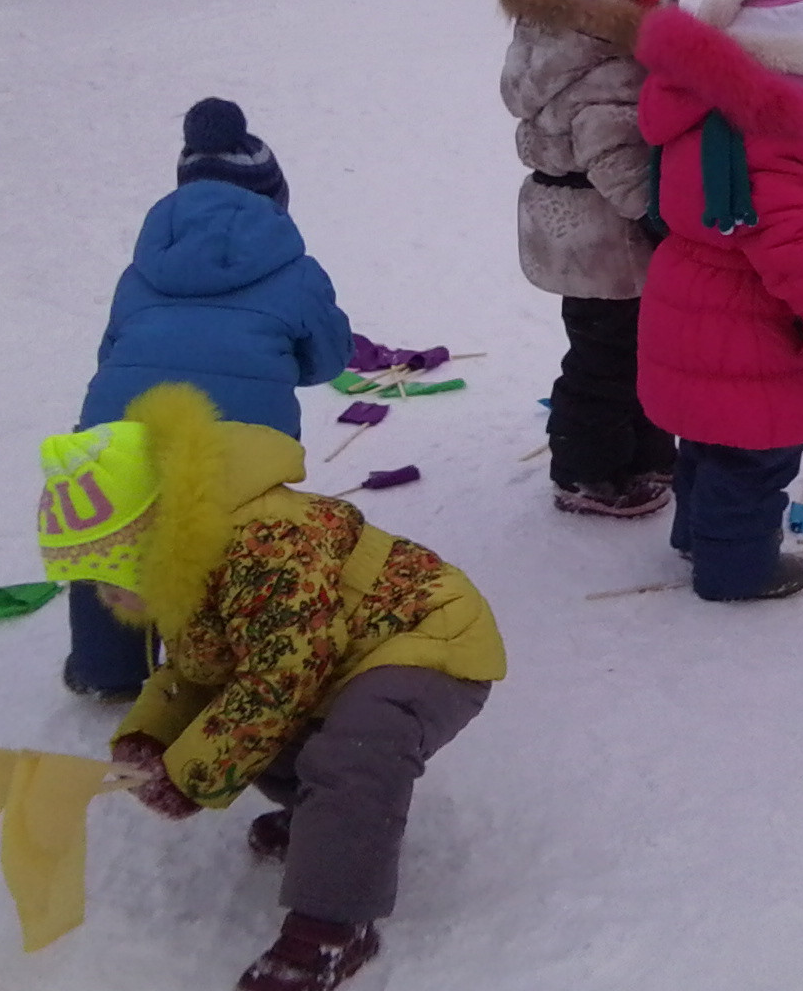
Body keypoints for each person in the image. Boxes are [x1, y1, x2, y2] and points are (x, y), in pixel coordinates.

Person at [38, 382, 504, 991]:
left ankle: (334, 928)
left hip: (426, 637)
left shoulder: (269, 543)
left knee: (354, 747)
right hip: (332, 652)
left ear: (153, 542)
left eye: (113, 576)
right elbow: (200, 669)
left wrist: (192, 775)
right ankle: (332, 830)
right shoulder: (193, 558)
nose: (111, 600)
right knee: (257, 727)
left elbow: (280, 679)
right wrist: (152, 736)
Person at [64, 97, 353, 701]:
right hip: (238, 438)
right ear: (275, 201)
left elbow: (108, 353)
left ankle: (107, 666)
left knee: (111, 538)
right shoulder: (297, 272)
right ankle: (229, 654)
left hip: (120, 427)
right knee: (232, 539)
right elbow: (328, 359)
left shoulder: (140, 271)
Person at [632, 0, 803, 601]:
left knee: (708, 441)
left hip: (688, 298)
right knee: (754, 456)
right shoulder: (768, 142)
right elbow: (789, 249)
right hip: (742, 319)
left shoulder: (696, 110)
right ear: (785, 74)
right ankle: (735, 571)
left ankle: (697, 536)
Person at [493, 0, 715, 519]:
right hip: (600, 235)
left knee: (630, 346)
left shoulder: (572, 35)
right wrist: (663, 217)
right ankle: (587, 471)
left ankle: (642, 451)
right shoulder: (607, 60)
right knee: (604, 358)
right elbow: (614, 154)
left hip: (583, 228)